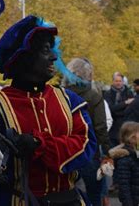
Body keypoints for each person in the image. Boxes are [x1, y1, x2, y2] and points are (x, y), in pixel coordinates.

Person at [0, 15, 97, 206]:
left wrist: (40, 145)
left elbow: (86, 145)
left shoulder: (70, 100)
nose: (54, 56)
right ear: (24, 57)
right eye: (46, 50)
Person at [61, 57, 111, 206]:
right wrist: (108, 151)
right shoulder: (94, 96)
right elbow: (100, 126)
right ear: (88, 74)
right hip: (89, 151)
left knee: (66, 195)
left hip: (65, 151)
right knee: (94, 195)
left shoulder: (60, 94)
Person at [108, 121, 139, 206]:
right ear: (131, 138)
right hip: (133, 200)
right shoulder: (125, 160)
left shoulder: (136, 153)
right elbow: (124, 185)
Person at [104, 72, 135, 146]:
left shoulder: (129, 93)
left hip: (126, 126)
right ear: (113, 81)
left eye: (120, 81)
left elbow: (130, 109)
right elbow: (110, 109)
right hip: (112, 127)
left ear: (123, 82)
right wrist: (125, 103)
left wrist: (118, 108)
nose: (118, 83)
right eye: (116, 81)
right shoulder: (107, 94)